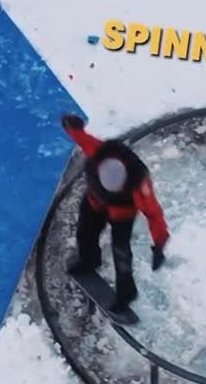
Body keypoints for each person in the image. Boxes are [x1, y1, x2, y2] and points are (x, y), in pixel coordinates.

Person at [61, 113, 170, 318]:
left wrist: (159, 246)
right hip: (94, 203)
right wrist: (71, 126)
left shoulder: (140, 186)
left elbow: (154, 215)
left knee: (121, 252)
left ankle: (127, 293)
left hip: (122, 214)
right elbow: (82, 138)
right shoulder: (100, 152)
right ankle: (89, 261)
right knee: (85, 233)